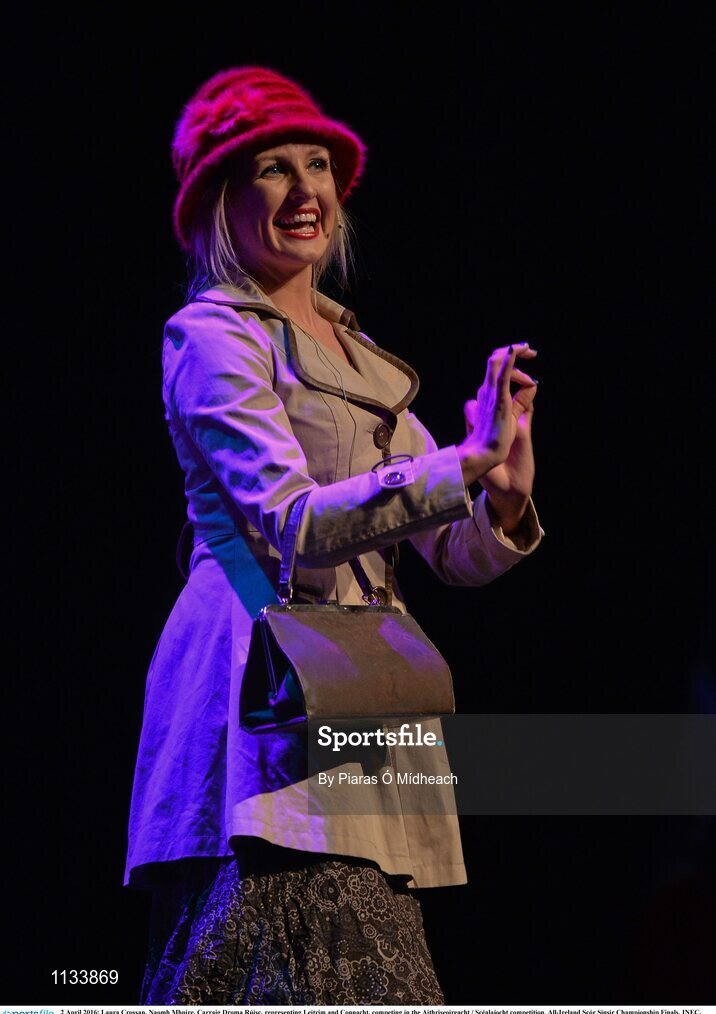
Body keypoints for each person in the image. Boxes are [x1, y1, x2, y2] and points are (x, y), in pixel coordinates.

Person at [124, 65, 545, 1005]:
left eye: (316, 165)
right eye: (272, 168)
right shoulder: (213, 336)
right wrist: (460, 464)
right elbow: (292, 524)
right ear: (220, 200)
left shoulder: (363, 360)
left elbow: (453, 554)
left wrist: (506, 495)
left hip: (363, 689)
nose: (305, 189)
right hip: (263, 686)